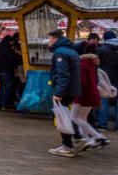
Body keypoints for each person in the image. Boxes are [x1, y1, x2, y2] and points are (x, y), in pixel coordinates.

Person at [47, 29, 82, 157]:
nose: (48, 42)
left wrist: (58, 92)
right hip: (72, 89)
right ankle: (77, 138)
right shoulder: (71, 50)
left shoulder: (60, 52)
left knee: (62, 116)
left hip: (65, 90)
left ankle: (67, 145)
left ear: (55, 39)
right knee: (67, 115)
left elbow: (63, 74)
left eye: (49, 39)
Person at [69, 51, 111, 150]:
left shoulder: (82, 65)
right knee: (83, 118)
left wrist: (73, 91)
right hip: (93, 95)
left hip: (83, 95)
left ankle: (98, 137)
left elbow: (82, 82)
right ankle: (86, 140)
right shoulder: (92, 66)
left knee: (74, 117)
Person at [96, 31, 118, 130]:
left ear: (105, 38)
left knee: (104, 100)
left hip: (105, 79)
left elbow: (96, 64)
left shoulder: (101, 49)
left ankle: (102, 125)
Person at [0, 35, 21, 110]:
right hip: (7, 70)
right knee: (7, 88)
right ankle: (4, 105)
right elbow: (12, 60)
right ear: (9, 41)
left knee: (1, 87)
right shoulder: (8, 48)